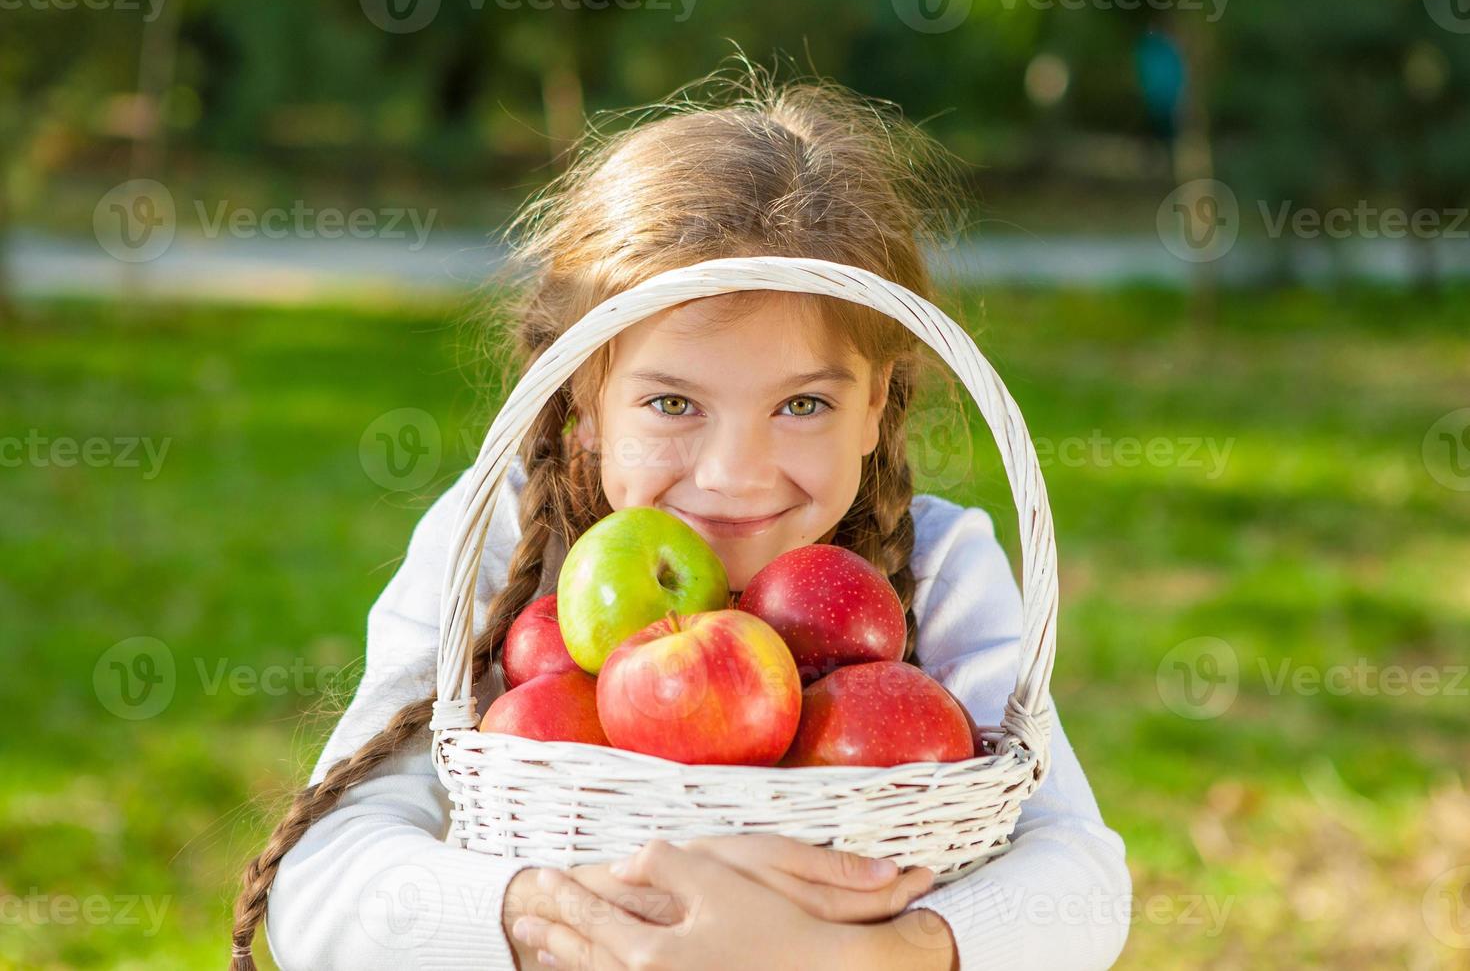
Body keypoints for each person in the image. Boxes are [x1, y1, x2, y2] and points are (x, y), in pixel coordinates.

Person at [229, 62, 1131, 971]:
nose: (734, 477)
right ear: (584, 397)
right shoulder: (507, 542)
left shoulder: (936, 567)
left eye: (804, 405)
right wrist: (545, 916)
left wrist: (867, 958)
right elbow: (321, 886)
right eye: (672, 404)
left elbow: (1079, 877)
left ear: (873, 407)